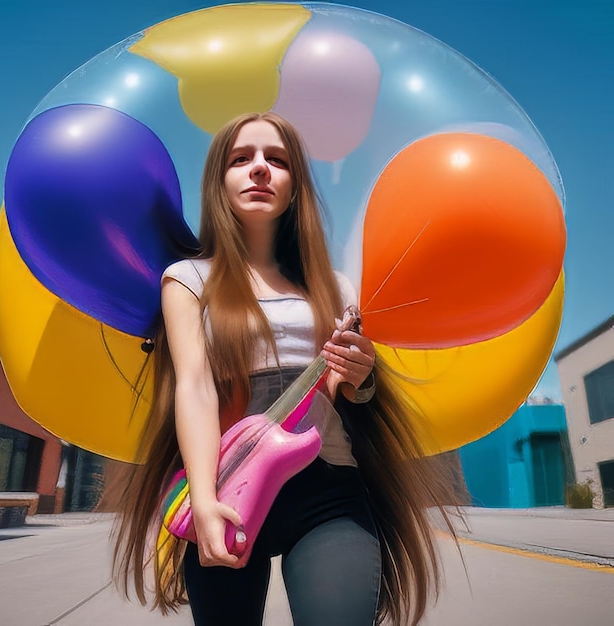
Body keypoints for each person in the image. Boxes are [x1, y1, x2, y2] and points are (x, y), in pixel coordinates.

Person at [113, 112, 460, 626]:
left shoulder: (337, 288)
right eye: (241, 159)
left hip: (328, 494)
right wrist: (203, 502)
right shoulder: (187, 279)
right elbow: (193, 387)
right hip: (228, 494)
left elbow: (345, 392)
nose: (258, 169)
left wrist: (363, 379)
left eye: (276, 160)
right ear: (219, 180)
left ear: (296, 183)